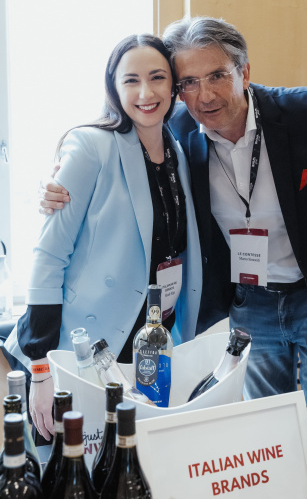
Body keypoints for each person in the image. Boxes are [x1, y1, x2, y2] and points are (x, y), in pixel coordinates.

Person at [38, 17, 307, 406]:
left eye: (217, 76)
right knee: (264, 421)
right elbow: (113, 149)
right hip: (249, 303)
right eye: (188, 83)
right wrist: (58, 183)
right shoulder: (175, 131)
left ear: (245, 73)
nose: (205, 95)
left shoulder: (304, 111)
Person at [4, 33, 202, 441]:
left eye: (157, 77)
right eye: (131, 80)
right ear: (113, 87)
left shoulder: (177, 150)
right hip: (83, 347)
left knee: (135, 459)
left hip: (151, 342)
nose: (145, 93)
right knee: (74, 462)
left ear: (174, 85)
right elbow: (48, 257)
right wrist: (41, 370)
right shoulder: (91, 145)